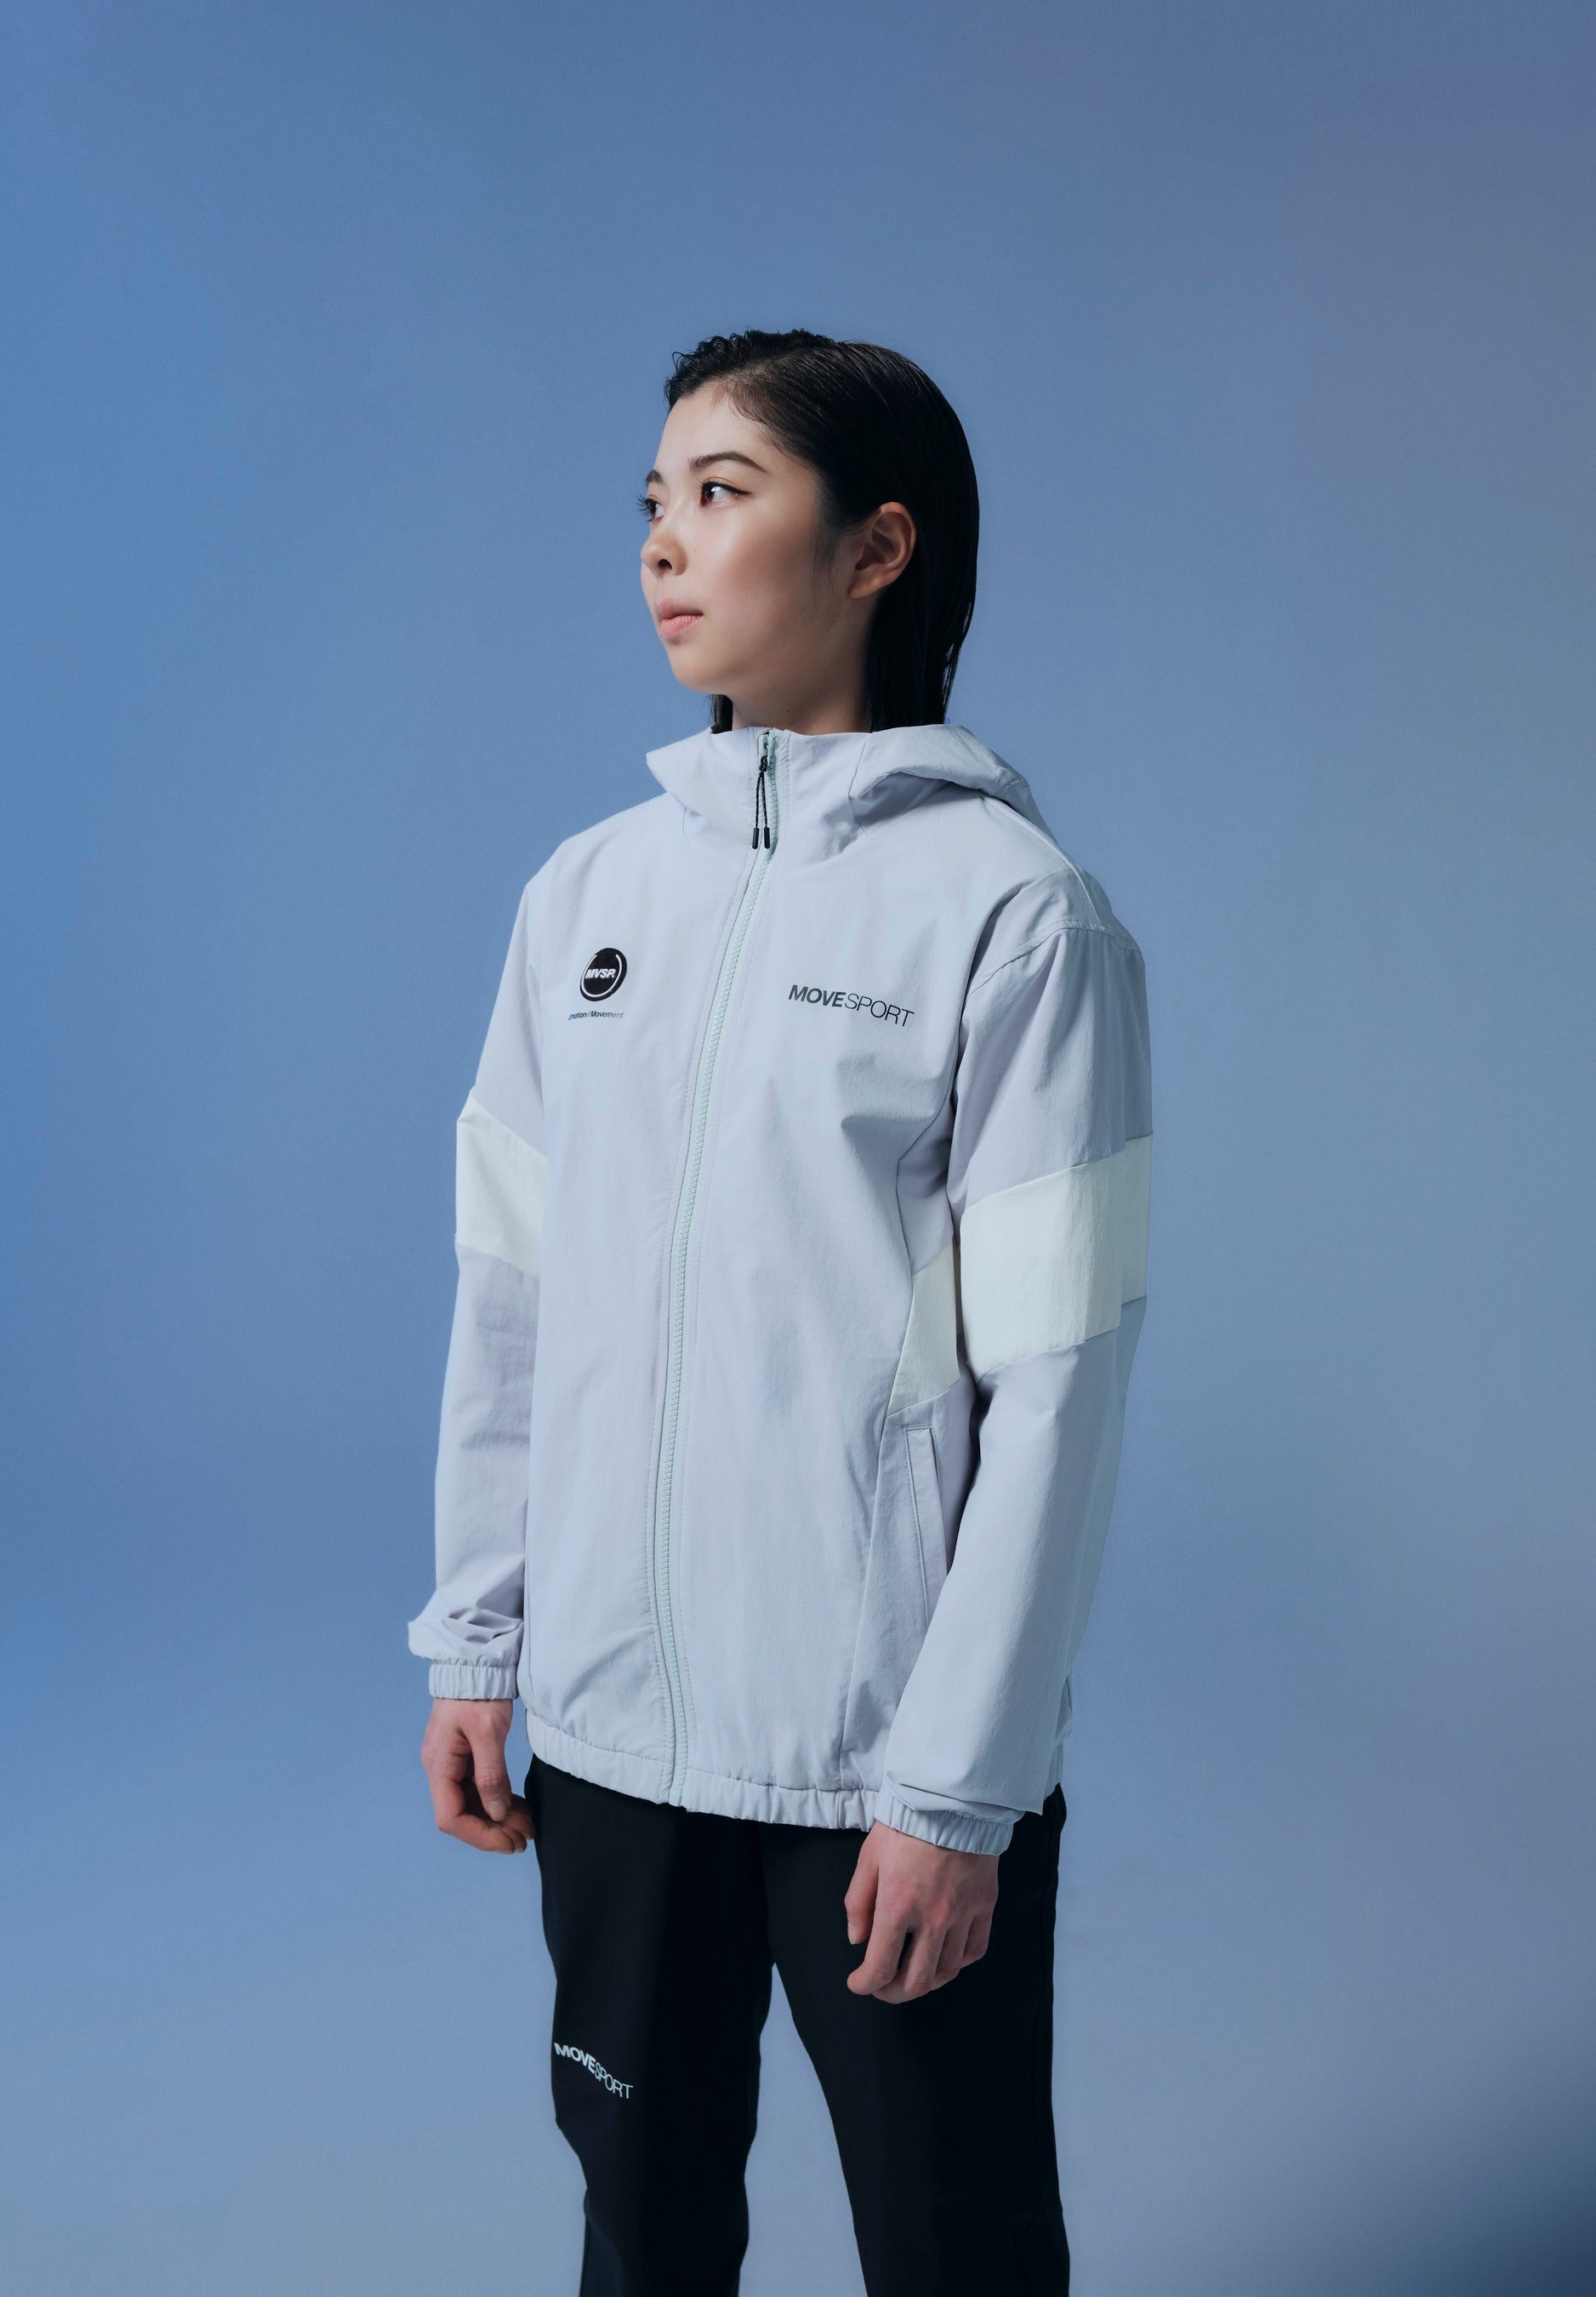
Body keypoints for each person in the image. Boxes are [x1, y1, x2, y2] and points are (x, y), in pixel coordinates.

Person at [410, 328, 1151, 2295]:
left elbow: (1056, 1388)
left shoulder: (1015, 915)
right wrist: (478, 1635)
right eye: (652, 502)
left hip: (873, 1763)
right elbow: (510, 1296)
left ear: (875, 548)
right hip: (607, 1743)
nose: (664, 543)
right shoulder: (582, 895)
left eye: (722, 494)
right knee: (639, 2233)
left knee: (951, 2248)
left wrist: (955, 1790)